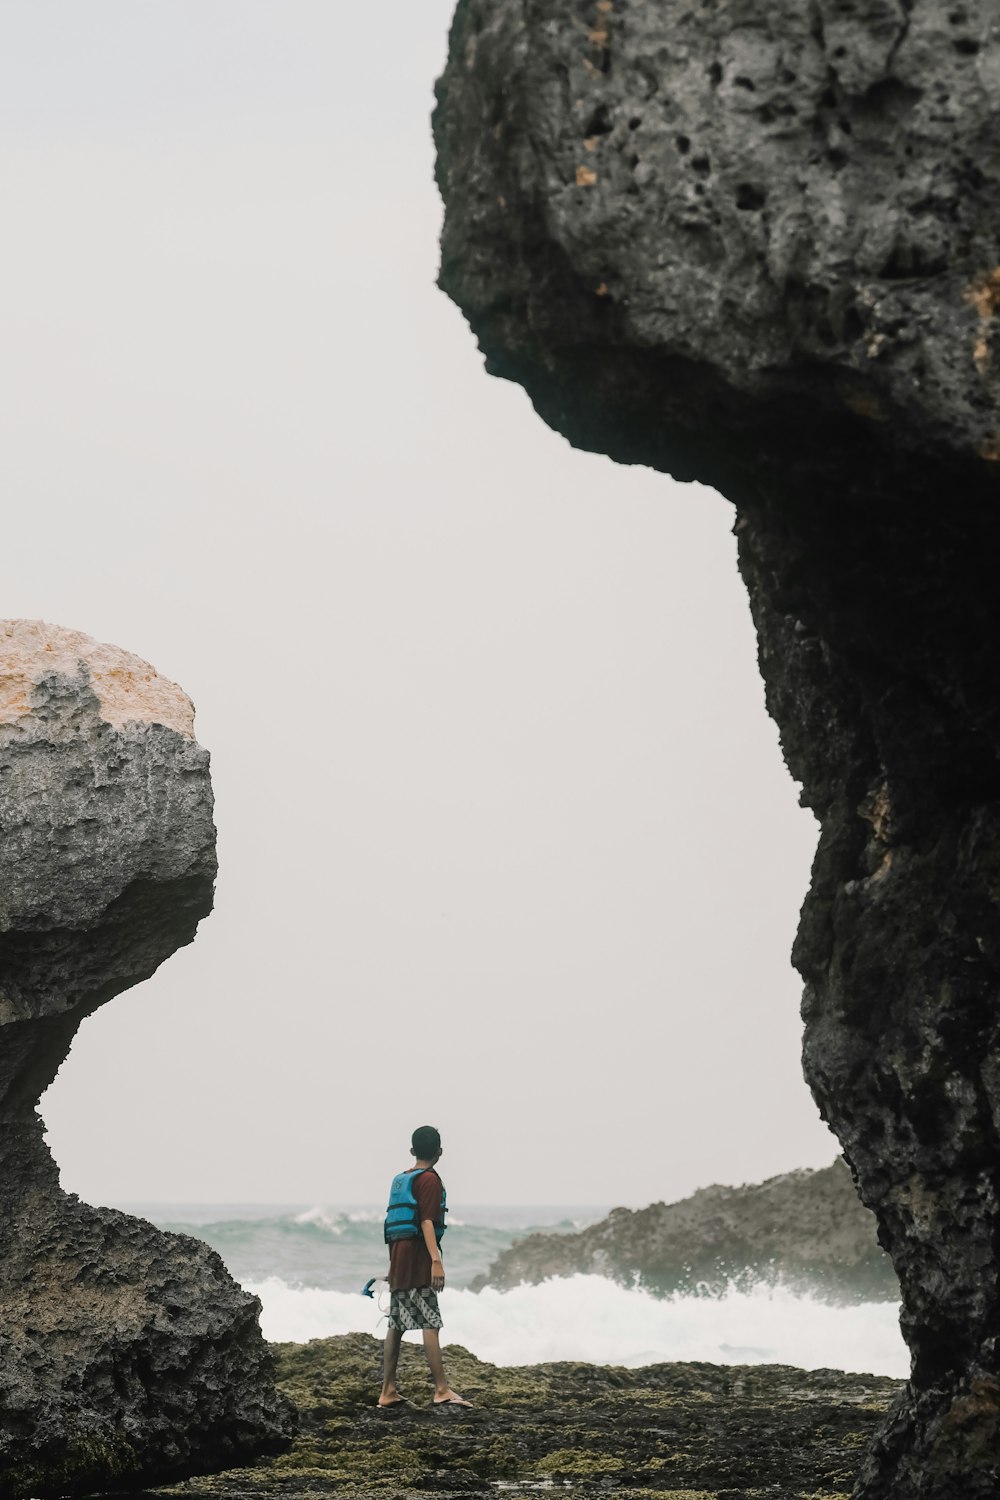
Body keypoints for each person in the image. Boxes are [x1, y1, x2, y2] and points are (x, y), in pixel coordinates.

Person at [378, 1124, 472, 1409]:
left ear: (412, 1151)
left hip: (399, 1256)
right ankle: (441, 1389)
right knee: (430, 1323)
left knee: (396, 1324)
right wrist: (436, 1261)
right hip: (419, 1258)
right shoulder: (429, 1180)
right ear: (440, 1152)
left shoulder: (402, 1179)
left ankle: (387, 1391)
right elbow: (427, 1221)